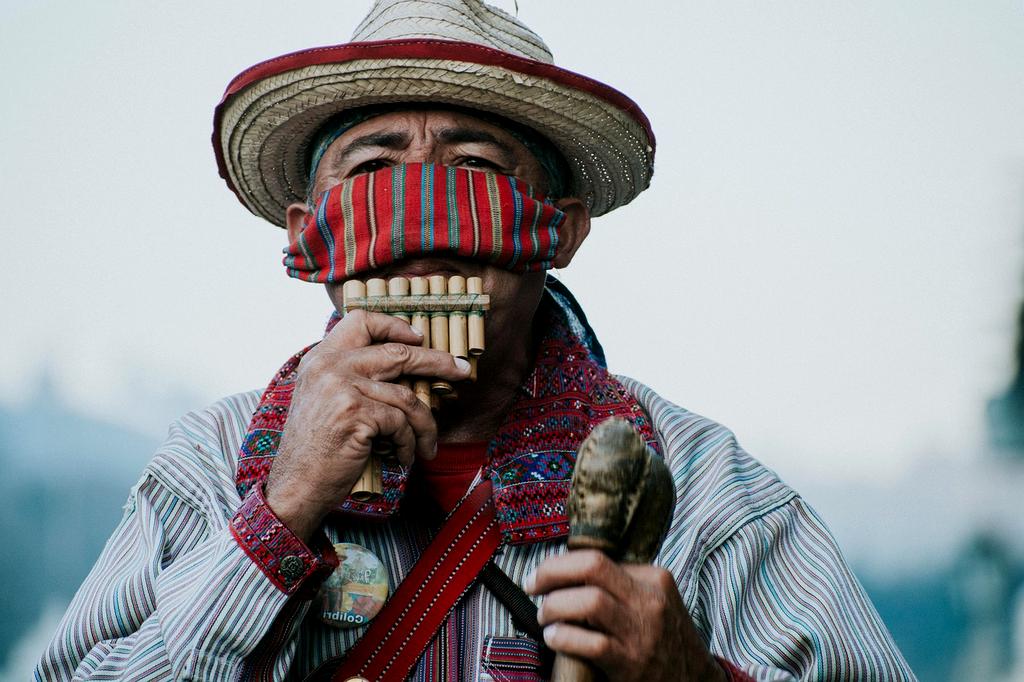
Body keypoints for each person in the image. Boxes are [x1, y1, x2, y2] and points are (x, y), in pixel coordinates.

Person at [36, 1, 914, 680]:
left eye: (476, 170)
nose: (421, 223)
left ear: (560, 231)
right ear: (310, 237)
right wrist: (282, 508)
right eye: (373, 172)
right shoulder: (205, 466)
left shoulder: (712, 496)